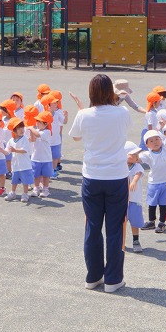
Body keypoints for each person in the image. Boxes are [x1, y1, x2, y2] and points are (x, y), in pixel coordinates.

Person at [67, 74, 131, 293]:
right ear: (110, 92)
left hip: (92, 177)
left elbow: (76, 137)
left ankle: (93, 276)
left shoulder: (84, 115)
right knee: (115, 229)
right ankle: (113, 279)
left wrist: (81, 110)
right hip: (117, 176)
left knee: (92, 228)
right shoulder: (122, 112)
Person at [139, 130, 166, 233]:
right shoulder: (147, 154)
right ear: (147, 145)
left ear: (161, 140)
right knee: (152, 204)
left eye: (157, 139)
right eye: (151, 141)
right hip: (153, 182)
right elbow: (137, 159)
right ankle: (151, 221)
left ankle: (162, 223)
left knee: (164, 204)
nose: (155, 142)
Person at [0, 118, 33, 203]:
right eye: (19, 128)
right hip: (16, 166)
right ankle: (12, 193)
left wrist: (15, 150)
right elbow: (7, 152)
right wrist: (1, 150)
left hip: (25, 165)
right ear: (13, 130)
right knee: (14, 181)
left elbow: (25, 150)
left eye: (22, 128)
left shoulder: (25, 139)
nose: (21, 130)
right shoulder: (10, 141)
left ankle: (25, 194)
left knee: (25, 181)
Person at [125, 142, 145, 253]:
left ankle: (136, 240)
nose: (136, 157)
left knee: (135, 222)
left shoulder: (137, 166)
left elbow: (138, 173)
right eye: (133, 154)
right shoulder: (120, 166)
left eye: (137, 155)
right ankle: (120, 241)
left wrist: (134, 181)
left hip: (134, 200)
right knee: (120, 223)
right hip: (122, 200)